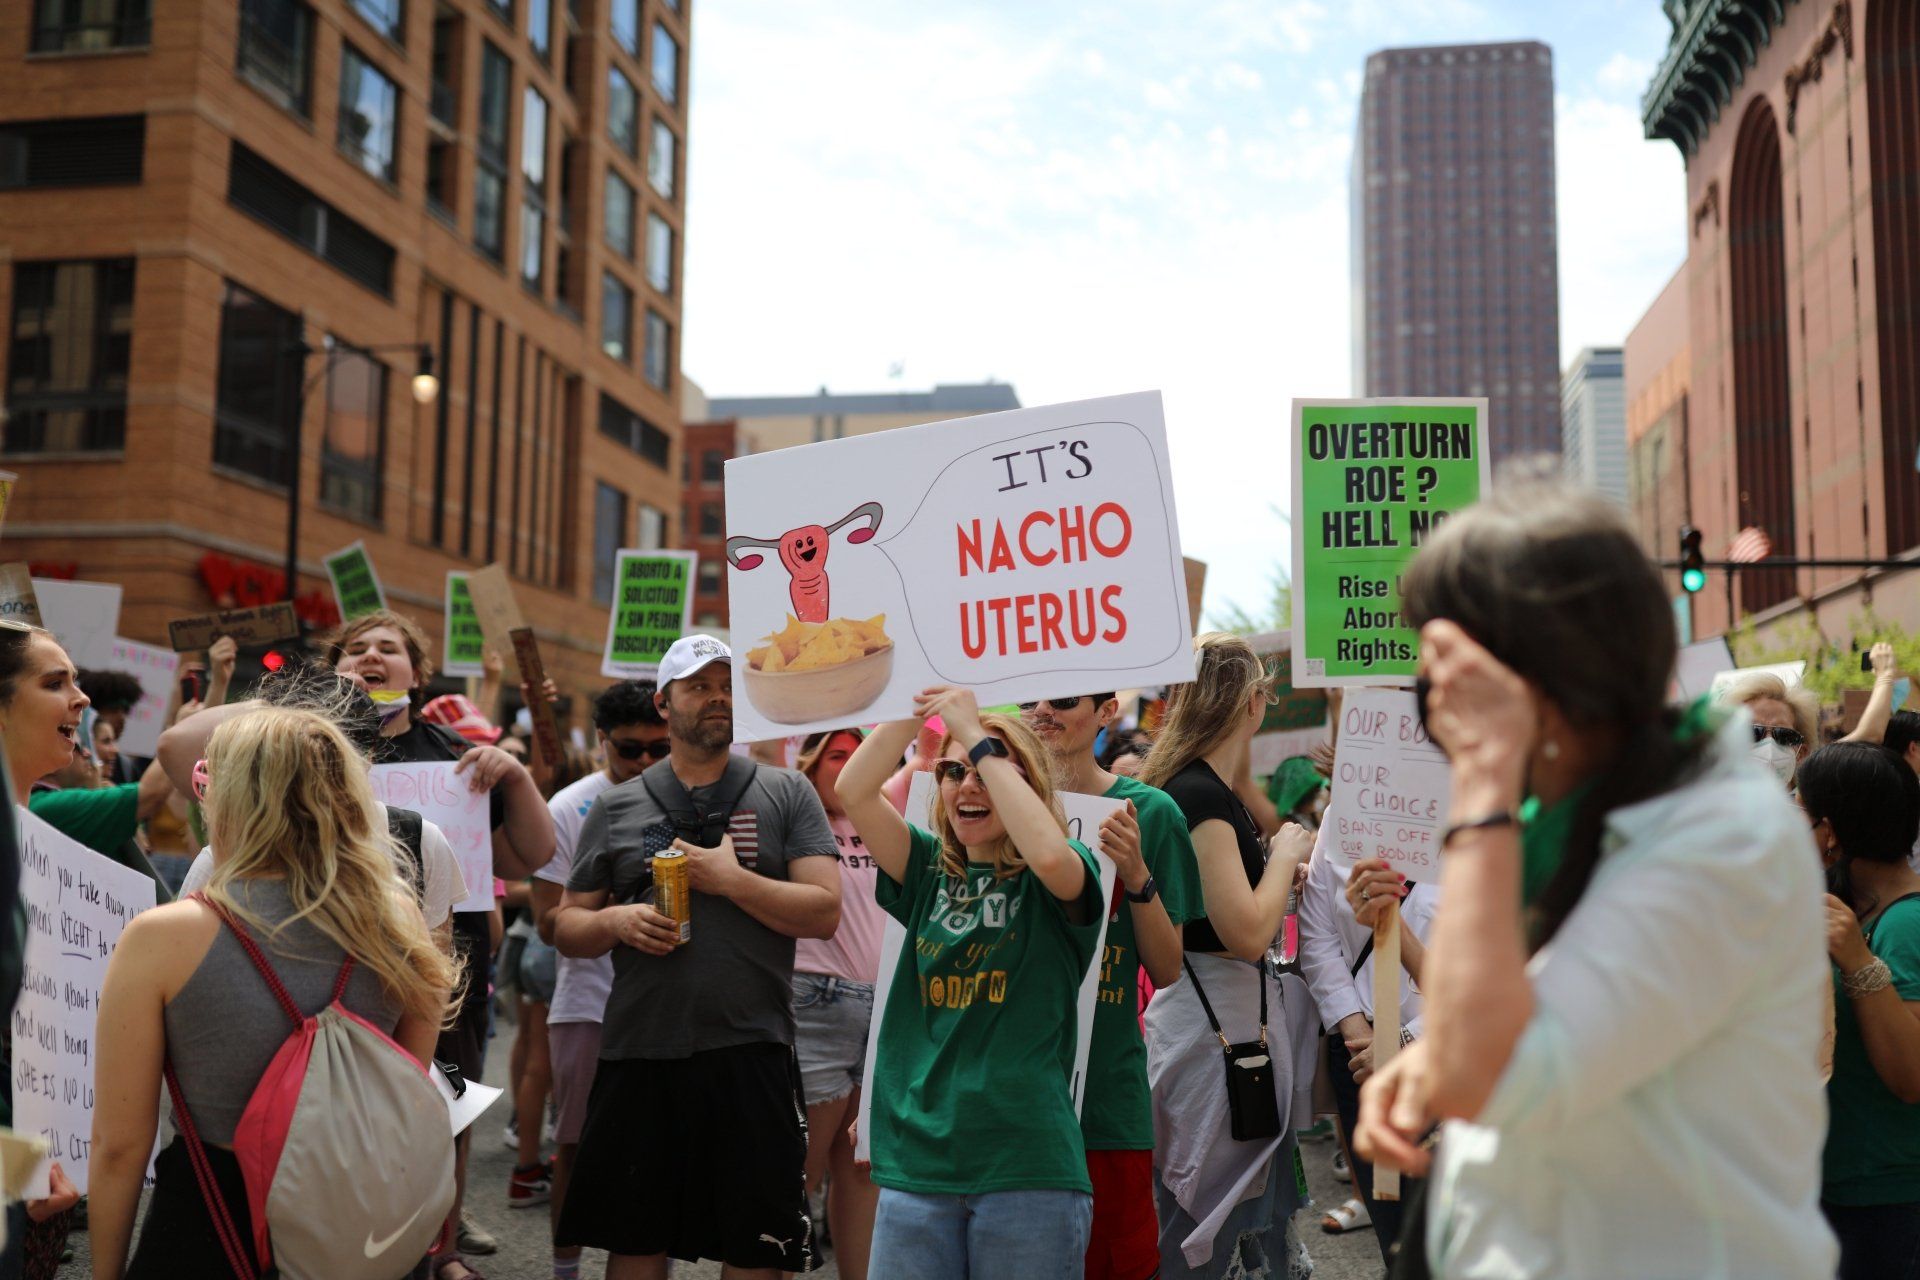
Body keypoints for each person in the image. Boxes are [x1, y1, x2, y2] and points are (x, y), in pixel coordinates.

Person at [1353, 485, 1835, 1279]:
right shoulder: (1581, 818)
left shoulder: (1722, 837)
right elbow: (1531, 1012)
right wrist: (1421, 1065)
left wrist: (1480, 785)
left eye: (1462, 669)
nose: (1438, 704)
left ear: (1549, 671)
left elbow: (1490, 1069)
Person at [87, 707, 457, 1279]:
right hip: (357, 1231)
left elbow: (119, 1147)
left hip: (208, 1226)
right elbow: (407, 1079)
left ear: (231, 799)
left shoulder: (163, 937)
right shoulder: (399, 920)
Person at [554, 636, 840, 1278]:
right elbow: (566, 925)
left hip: (753, 1046)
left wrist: (731, 880)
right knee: (635, 1238)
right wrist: (615, 919)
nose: (717, 697)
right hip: (641, 1049)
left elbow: (824, 910)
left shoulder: (788, 790)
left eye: (727, 684)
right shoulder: (617, 803)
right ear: (664, 703)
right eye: (698, 685)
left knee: (755, 1244)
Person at [837, 690, 1106, 1279]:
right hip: (917, 1166)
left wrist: (978, 737)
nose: (967, 784)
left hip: (1027, 1168)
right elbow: (853, 789)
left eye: (987, 770)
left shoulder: (1064, 872)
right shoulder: (928, 871)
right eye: (953, 770)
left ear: (1027, 787)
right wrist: (917, 686)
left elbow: (1050, 856)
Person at [325, 609, 555, 1277]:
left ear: (416, 674)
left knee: (447, 1102)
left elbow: (528, 857)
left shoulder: (458, 757)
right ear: (333, 670)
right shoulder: (304, 745)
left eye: (388, 650)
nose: (371, 658)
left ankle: (441, 1249)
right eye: (355, 650)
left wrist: (513, 774)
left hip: (443, 967)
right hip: (335, 953)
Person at [1137, 634, 1315, 1280]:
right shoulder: (1201, 796)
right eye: (1265, 690)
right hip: (1215, 1039)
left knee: (1230, 1221)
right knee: (1209, 1231)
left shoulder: (1205, 790)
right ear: (1248, 701)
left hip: (1222, 1030)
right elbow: (1242, 929)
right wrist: (1288, 853)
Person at [1019, 691, 1202, 1280]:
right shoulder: (984, 801)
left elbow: (1168, 968)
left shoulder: (1150, 812)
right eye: (1030, 700)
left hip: (1104, 1094)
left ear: (1107, 711)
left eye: (1065, 700)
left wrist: (1137, 874)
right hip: (1010, 1098)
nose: (1042, 712)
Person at [530, 679, 667, 1280]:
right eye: (629, 750)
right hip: (589, 1002)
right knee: (578, 1149)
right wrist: (612, 910)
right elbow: (544, 922)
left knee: (657, 1153)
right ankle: (565, 1268)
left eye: (658, 749)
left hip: (667, 1004)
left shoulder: (686, 795)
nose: (644, 763)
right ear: (603, 741)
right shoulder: (569, 807)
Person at [1798, 742, 1920, 1278]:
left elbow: (1911, 1077)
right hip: (1841, 1187)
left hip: (1885, 1200)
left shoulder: (1904, 923)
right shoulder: (1854, 908)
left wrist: (1859, 962)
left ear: (1829, 832)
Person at [1297, 848, 1437, 1255]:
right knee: (1393, 1232)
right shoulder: (1344, 816)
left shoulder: (1476, 820)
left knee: (1443, 1241)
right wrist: (1355, 1030)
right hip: (1360, 1057)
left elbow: (1492, 966)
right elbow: (1317, 934)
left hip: (1444, 1055)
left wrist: (1405, 1041)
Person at [0, 623, 88, 1266]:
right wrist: (15, 1170)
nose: (80, 699)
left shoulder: (50, 845)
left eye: (77, 681)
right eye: (55, 683)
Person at [788, 728, 883, 1280]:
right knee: (800, 1173)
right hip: (814, 1005)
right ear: (809, 762)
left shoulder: (879, 816)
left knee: (863, 1171)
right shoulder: (794, 818)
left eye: (856, 756)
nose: (847, 768)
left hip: (880, 1008)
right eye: (836, 757)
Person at [1720, 669, 1820, 789]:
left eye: (1784, 735)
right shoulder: (1704, 805)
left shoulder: (1815, 807)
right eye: (1752, 732)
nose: (1769, 744)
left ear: (1801, 753)